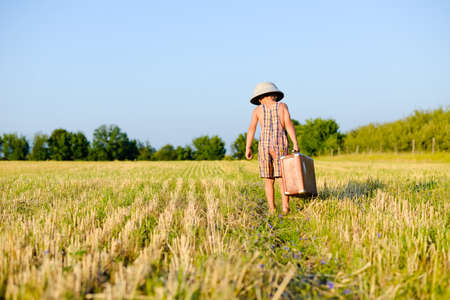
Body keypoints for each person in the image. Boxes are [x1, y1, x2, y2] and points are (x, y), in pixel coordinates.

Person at [245, 82, 299, 214]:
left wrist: (248, 147)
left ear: (259, 98)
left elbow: (252, 129)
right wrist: (295, 143)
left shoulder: (257, 110)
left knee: (269, 181)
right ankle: (286, 208)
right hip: (280, 145)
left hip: (264, 147)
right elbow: (288, 124)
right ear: (275, 95)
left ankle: (272, 209)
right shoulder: (282, 106)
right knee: (282, 179)